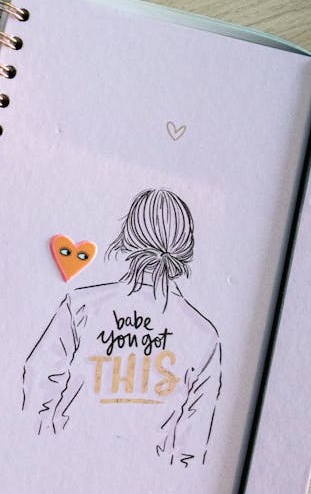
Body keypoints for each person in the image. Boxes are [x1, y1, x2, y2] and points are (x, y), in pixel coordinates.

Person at [21, 189, 221, 466]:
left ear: (128, 238)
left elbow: (39, 380)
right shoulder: (203, 334)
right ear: (186, 248)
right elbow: (193, 440)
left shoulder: (81, 305)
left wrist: (41, 444)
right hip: (149, 479)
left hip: (63, 460)